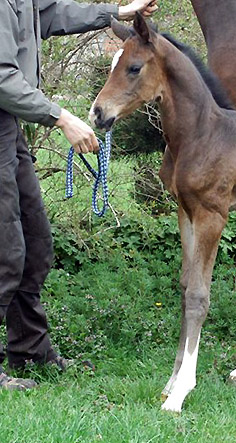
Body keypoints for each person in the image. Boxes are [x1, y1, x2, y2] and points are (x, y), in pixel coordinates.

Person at [0, 0, 158, 391]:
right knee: (4, 252)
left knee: (35, 244)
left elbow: (50, 16)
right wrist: (61, 117)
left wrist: (116, 13)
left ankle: (30, 349)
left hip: (8, 126)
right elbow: (2, 77)